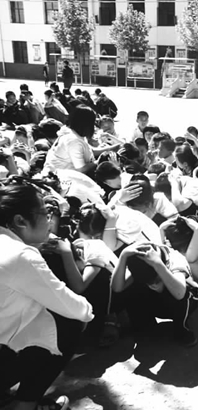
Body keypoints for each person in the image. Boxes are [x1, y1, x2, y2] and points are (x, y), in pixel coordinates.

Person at [0, 183, 94, 410]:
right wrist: (87, 311)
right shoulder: (20, 255)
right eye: (45, 212)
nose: (49, 219)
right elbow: (76, 308)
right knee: (70, 322)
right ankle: (25, 404)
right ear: (20, 221)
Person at [44, 105, 97, 175]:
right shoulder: (73, 140)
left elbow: (91, 151)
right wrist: (98, 162)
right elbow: (81, 169)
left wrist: (110, 148)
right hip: (58, 178)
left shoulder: (75, 133)